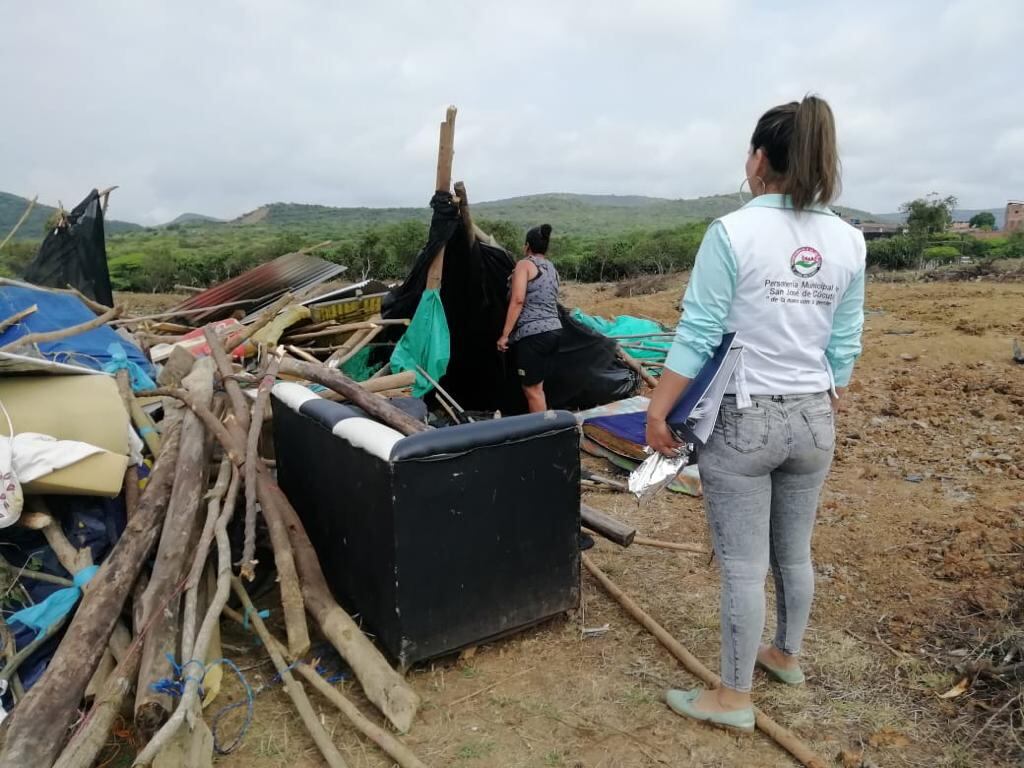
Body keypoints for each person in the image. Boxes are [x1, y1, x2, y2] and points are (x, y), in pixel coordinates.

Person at [646, 95, 866, 732]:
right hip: (813, 419)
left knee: (744, 564)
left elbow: (696, 334)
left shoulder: (733, 232)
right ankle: (785, 656)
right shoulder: (850, 240)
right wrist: (832, 389)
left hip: (745, 422)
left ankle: (733, 697)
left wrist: (659, 412)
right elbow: (845, 339)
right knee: (794, 553)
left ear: (762, 158)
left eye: (750, 150)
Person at [497, 223, 563, 413]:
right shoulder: (552, 268)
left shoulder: (525, 264)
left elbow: (517, 300)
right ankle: (546, 424)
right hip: (554, 332)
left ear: (527, 246)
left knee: (531, 389)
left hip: (535, 335)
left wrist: (505, 335)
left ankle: (541, 434)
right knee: (538, 386)